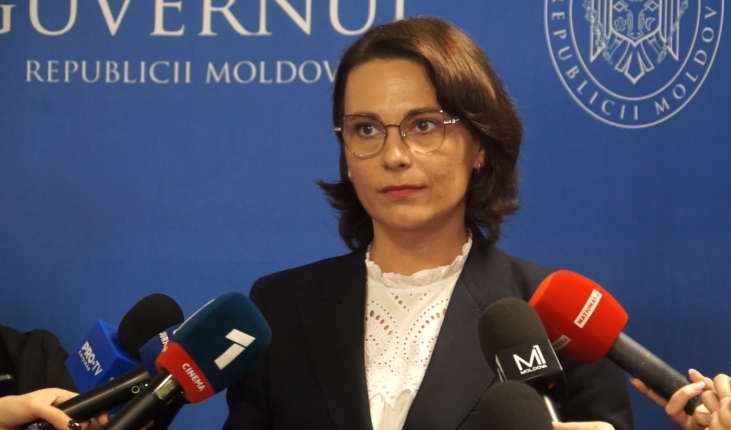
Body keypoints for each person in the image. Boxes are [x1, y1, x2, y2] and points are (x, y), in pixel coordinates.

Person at [224, 16, 633, 430]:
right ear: (345, 152)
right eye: (366, 129)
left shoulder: (558, 318)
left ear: (479, 144)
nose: (394, 156)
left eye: (423, 125)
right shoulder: (279, 308)